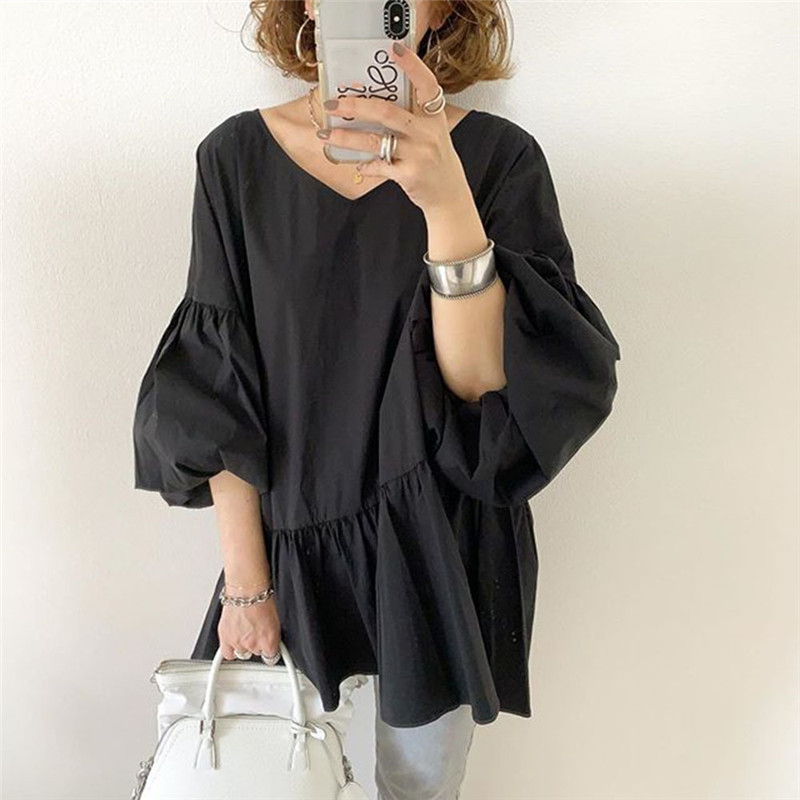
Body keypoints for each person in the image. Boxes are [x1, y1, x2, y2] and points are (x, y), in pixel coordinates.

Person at [132, 1, 621, 797]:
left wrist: (446, 200)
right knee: (263, 774)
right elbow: (216, 389)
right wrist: (247, 584)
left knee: (420, 787)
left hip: (441, 547)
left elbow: (481, 393)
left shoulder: (500, 161)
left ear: (441, 11)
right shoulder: (234, 160)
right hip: (287, 542)